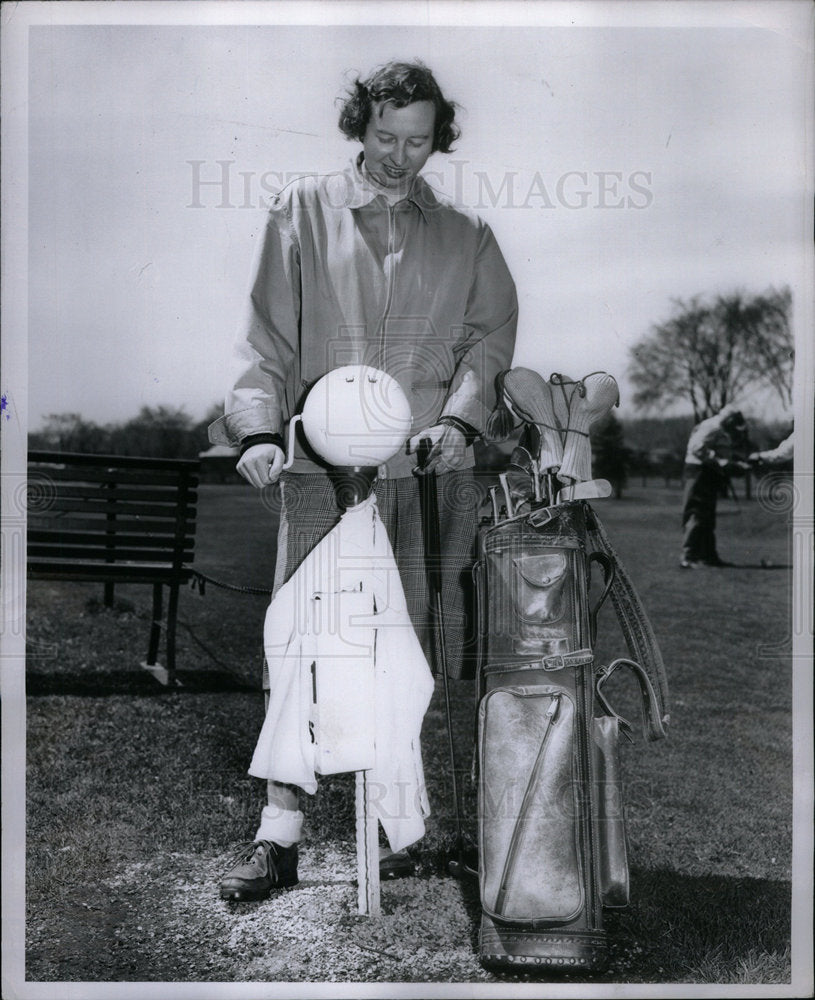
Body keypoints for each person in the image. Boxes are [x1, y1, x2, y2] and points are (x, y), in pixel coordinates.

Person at [208, 60, 518, 901]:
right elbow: (265, 339)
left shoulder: (467, 236)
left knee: (403, 653)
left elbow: (487, 345)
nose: (398, 157)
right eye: (385, 137)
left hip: (421, 472)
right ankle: (279, 838)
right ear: (360, 125)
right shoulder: (300, 212)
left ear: (436, 140)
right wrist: (261, 430)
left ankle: (399, 827)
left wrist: (458, 421)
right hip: (316, 469)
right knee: (300, 646)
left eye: (418, 142)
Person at [679, 405, 750, 569]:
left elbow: (720, 453)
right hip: (699, 472)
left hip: (708, 473)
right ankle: (689, 556)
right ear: (729, 419)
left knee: (707, 516)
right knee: (696, 514)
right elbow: (696, 448)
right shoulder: (712, 426)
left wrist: (733, 463)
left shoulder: (721, 428)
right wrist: (721, 462)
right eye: (733, 424)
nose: (734, 428)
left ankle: (708, 556)